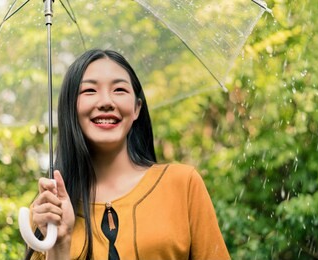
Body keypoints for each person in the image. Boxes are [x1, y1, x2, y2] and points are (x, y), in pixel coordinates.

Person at [25, 49, 230, 260]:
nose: (106, 101)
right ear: (70, 108)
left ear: (136, 108)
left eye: (119, 90)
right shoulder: (49, 209)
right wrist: (60, 244)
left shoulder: (182, 184)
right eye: (89, 91)